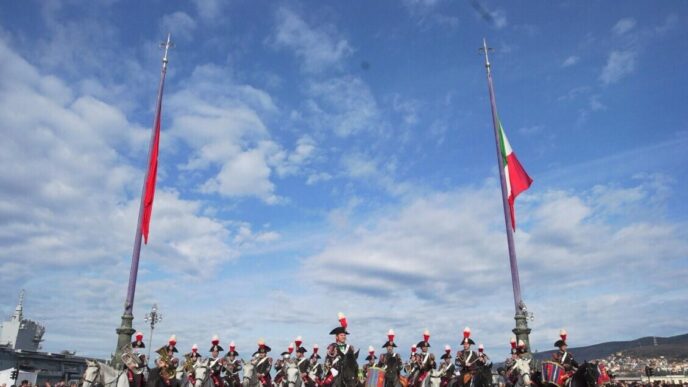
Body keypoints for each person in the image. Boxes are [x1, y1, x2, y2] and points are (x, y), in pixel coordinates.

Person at [322, 313, 359, 387]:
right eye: (341, 335)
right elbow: (327, 362)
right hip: (335, 373)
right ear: (337, 337)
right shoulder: (332, 347)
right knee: (327, 384)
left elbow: (353, 362)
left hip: (348, 374)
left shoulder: (350, 348)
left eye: (344, 335)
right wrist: (332, 370)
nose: (344, 337)